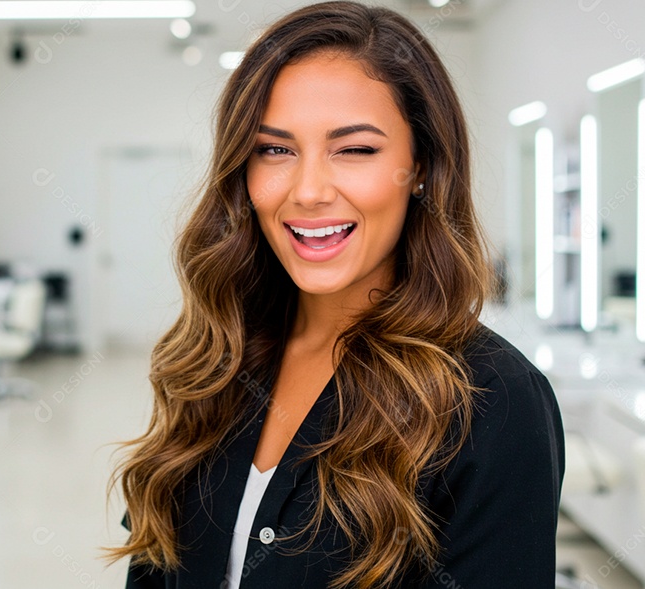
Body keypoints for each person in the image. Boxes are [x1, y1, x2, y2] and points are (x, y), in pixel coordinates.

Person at [109, 2, 565, 588]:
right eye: (274, 149)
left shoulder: (494, 400)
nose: (308, 190)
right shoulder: (216, 356)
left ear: (421, 166)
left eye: (354, 150)